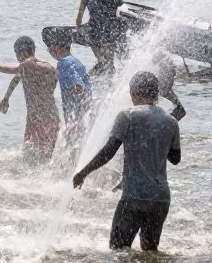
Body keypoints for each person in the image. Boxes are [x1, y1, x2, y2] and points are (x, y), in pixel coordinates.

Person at [72, 72, 181, 251]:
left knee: (118, 249)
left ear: (135, 93)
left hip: (135, 197)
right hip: (161, 199)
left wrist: (83, 173)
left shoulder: (127, 116)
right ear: (157, 94)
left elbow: (108, 151)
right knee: (150, 252)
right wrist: (158, 140)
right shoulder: (171, 121)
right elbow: (175, 159)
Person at [0, 36, 61, 161]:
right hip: (52, 116)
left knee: (31, 155)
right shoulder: (45, 65)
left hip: (37, 118)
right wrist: (6, 97)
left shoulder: (26, 64)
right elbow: (17, 77)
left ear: (21, 54)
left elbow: (11, 70)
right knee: (48, 153)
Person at [76, 0, 126, 75]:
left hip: (103, 37)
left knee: (106, 64)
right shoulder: (98, 2)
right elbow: (78, 21)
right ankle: (89, 77)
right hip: (99, 38)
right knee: (107, 65)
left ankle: (91, 78)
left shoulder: (116, 1)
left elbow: (124, 16)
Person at [43, 26, 93, 126]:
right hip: (85, 113)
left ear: (57, 48)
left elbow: (78, 87)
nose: (50, 52)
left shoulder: (63, 63)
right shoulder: (75, 61)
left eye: (50, 49)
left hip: (76, 116)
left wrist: (76, 119)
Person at [153, 51, 187, 121]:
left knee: (181, 110)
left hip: (164, 89)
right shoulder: (166, 63)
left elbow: (182, 112)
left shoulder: (166, 64)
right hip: (162, 88)